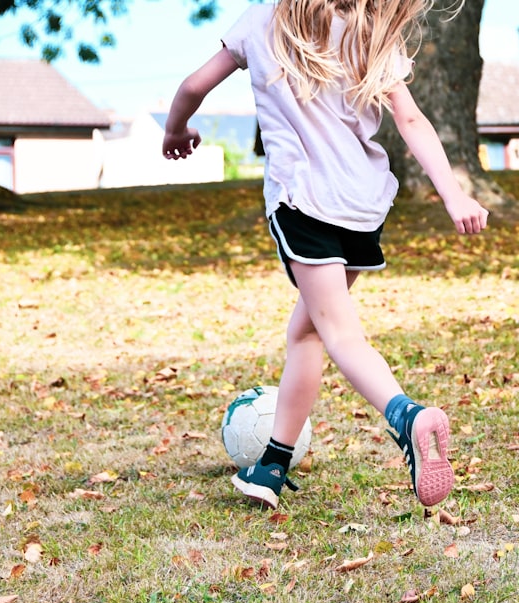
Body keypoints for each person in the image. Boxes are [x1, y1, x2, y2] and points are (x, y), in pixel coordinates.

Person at [161, 0, 489, 510]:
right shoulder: (369, 29)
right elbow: (411, 118)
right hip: (362, 206)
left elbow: (192, 87)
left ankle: (407, 416)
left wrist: (176, 130)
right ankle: (271, 466)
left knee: (338, 334)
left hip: (305, 203)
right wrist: (453, 194)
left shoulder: (265, 17)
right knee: (307, 329)